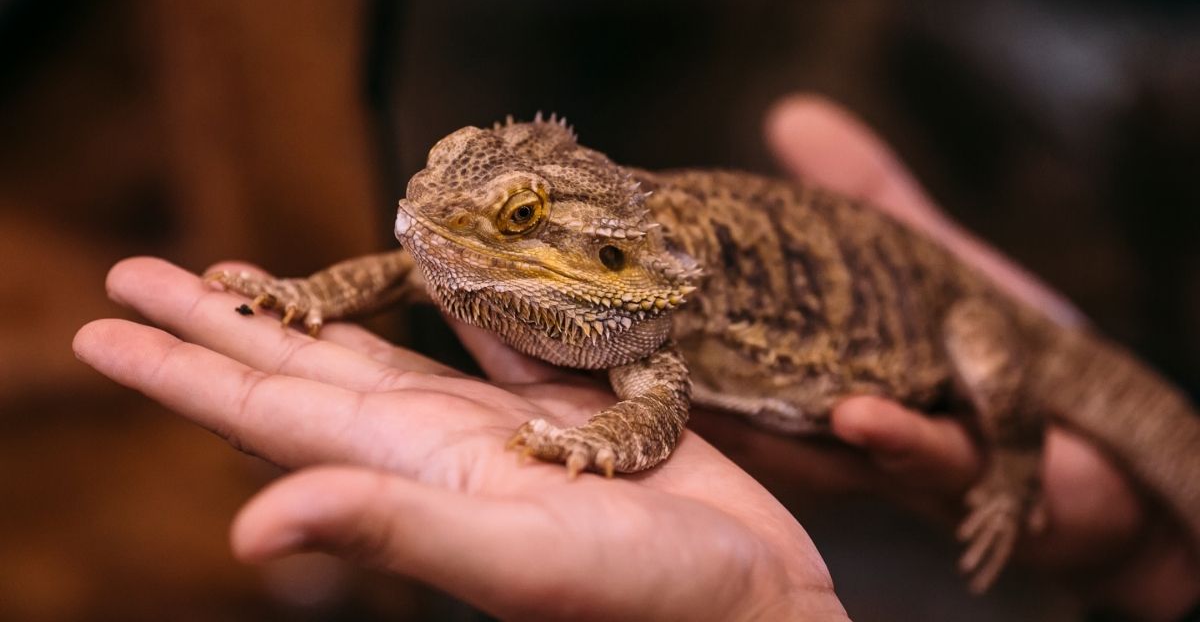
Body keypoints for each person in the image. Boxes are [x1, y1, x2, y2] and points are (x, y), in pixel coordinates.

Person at [73, 97, 1200, 621]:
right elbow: (407, 260)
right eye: (444, 171)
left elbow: (651, 407)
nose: (424, 212)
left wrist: (1016, 476)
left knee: (1000, 377)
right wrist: (306, 296)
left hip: (970, 326)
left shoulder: (642, 321)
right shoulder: (539, 264)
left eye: (515, 217)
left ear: (606, 251)